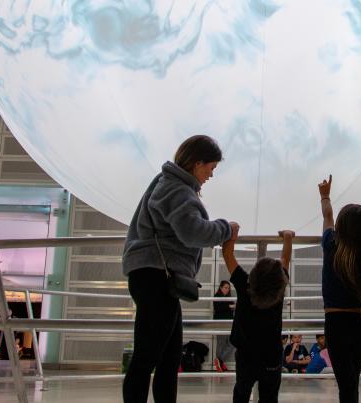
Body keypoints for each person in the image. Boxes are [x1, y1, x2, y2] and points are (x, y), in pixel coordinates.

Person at [121, 135, 235, 403]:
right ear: (198, 163)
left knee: (168, 358)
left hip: (156, 277)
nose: (211, 174)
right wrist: (226, 228)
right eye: (211, 168)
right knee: (148, 357)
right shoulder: (176, 189)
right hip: (157, 278)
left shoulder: (168, 184)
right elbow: (192, 231)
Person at [222, 227, 293, 403]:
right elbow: (285, 259)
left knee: (242, 391)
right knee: (269, 396)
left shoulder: (244, 285)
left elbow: (227, 255)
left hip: (246, 355)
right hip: (272, 356)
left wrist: (232, 232)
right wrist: (288, 237)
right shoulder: (279, 289)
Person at [318, 175, 361, 403]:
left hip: (335, 322)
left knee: (346, 384)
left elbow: (328, 216)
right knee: (352, 381)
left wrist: (325, 195)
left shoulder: (332, 245)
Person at [213, 280, 235, 372]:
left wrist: (231, 307)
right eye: (225, 287)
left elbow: (232, 309)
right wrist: (229, 307)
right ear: (221, 288)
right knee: (221, 343)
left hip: (229, 323)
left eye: (228, 288)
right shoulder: (217, 297)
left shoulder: (229, 298)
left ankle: (220, 361)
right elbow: (218, 309)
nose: (227, 289)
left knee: (232, 343)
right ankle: (220, 364)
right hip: (220, 322)